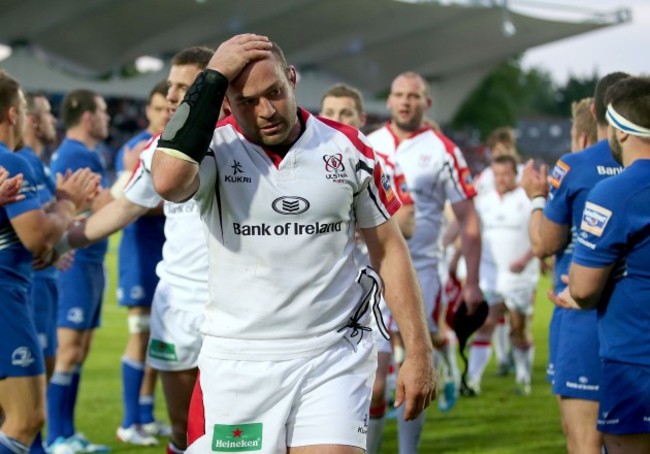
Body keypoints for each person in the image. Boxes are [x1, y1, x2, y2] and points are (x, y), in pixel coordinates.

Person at [151, 34, 436, 454]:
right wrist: (211, 77)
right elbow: (167, 182)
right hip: (239, 361)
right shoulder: (214, 147)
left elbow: (389, 249)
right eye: (247, 101)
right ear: (227, 102)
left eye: (274, 93)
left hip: (331, 353)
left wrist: (418, 349)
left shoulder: (348, 148)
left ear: (293, 79)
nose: (266, 111)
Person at [57, 46, 216, 454]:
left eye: (186, 87)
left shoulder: (243, 143)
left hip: (234, 308)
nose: (175, 95)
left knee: (233, 432)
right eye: (172, 86)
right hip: (178, 301)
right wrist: (63, 240)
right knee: (183, 430)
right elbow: (126, 206)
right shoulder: (161, 148)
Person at [366, 70, 481, 454]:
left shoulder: (444, 150)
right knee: (374, 380)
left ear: (426, 103)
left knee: (414, 369)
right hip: (371, 270)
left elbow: (468, 219)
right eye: (398, 94)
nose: (404, 101)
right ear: (388, 100)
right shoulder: (368, 143)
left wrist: (473, 281)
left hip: (422, 272)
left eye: (413, 96)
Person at [521, 71, 629, 454]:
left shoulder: (575, 165)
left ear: (595, 110)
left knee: (584, 441)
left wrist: (535, 198)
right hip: (635, 314)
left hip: (582, 309)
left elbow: (544, 244)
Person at [0, 70, 98, 454]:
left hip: (19, 287)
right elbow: (38, 237)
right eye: (26, 111)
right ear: (13, 114)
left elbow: (40, 247)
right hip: (7, 298)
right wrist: (68, 203)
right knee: (26, 420)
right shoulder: (13, 162)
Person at [319, 83, 415, 454]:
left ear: (360, 119)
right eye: (330, 111)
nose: (336, 119)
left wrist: (364, 221)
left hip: (368, 294)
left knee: (374, 384)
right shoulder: (302, 158)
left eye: (345, 113)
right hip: (320, 294)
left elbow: (407, 222)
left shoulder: (380, 162)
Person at [559, 75, 650, 454]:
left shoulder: (613, 192)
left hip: (635, 361)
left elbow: (583, 287)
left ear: (621, 131)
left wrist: (578, 290)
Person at [46, 89, 112, 453]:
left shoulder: (84, 153)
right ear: (88, 117)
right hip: (76, 262)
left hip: (91, 262)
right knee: (68, 349)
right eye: (103, 110)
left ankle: (68, 433)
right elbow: (103, 203)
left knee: (79, 350)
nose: (108, 118)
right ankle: (56, 436)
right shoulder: (74, 154)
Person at [112, 81, 171, 447]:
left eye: (169, 106)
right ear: (147, 110)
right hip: (139, 255)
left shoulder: (175, 147)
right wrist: (173, 202)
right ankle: (129, 420)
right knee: (140, 333)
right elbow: (127, 203)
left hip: (167, 255)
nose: (164, 112)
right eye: (157, 107)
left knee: (157, 337)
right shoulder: (135, 149)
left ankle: (147, 414)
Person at [467, 154, 540, 396]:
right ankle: (472, 380)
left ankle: (523, 378)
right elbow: (472, 235)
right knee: (486, 323)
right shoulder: (483, 202)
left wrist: (525, 259)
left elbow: (540, 235)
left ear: (515, 173)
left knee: (517, 329)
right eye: (496, 174)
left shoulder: (527, 200)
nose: (500, 179)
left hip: (520, 276)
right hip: (491, 274)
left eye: (505, 174)